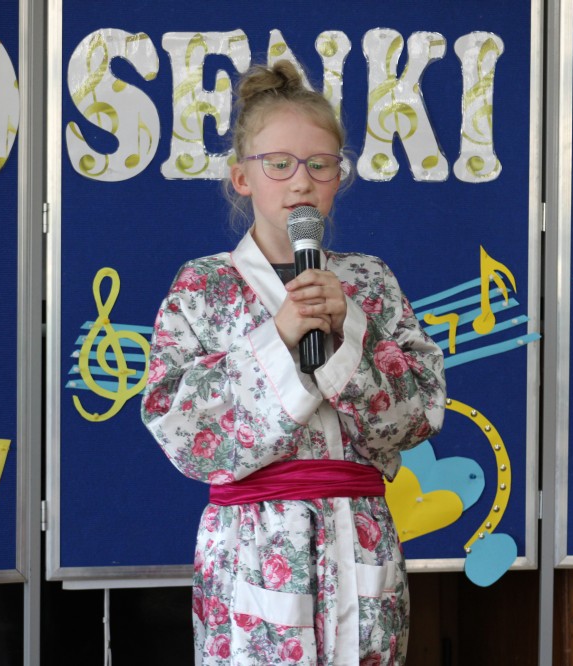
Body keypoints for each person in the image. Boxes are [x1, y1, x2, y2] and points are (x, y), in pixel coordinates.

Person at [140, 59, 447, 665]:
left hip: (361, 538)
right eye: (278, 164)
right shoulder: (202, 288)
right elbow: (182, 430)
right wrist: (277, 338)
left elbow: (418, 415)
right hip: (253, 543)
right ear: (242, 177)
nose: (300, 182)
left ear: (339, 177)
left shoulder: (370, 282)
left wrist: (350, 330)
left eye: (320, 164)